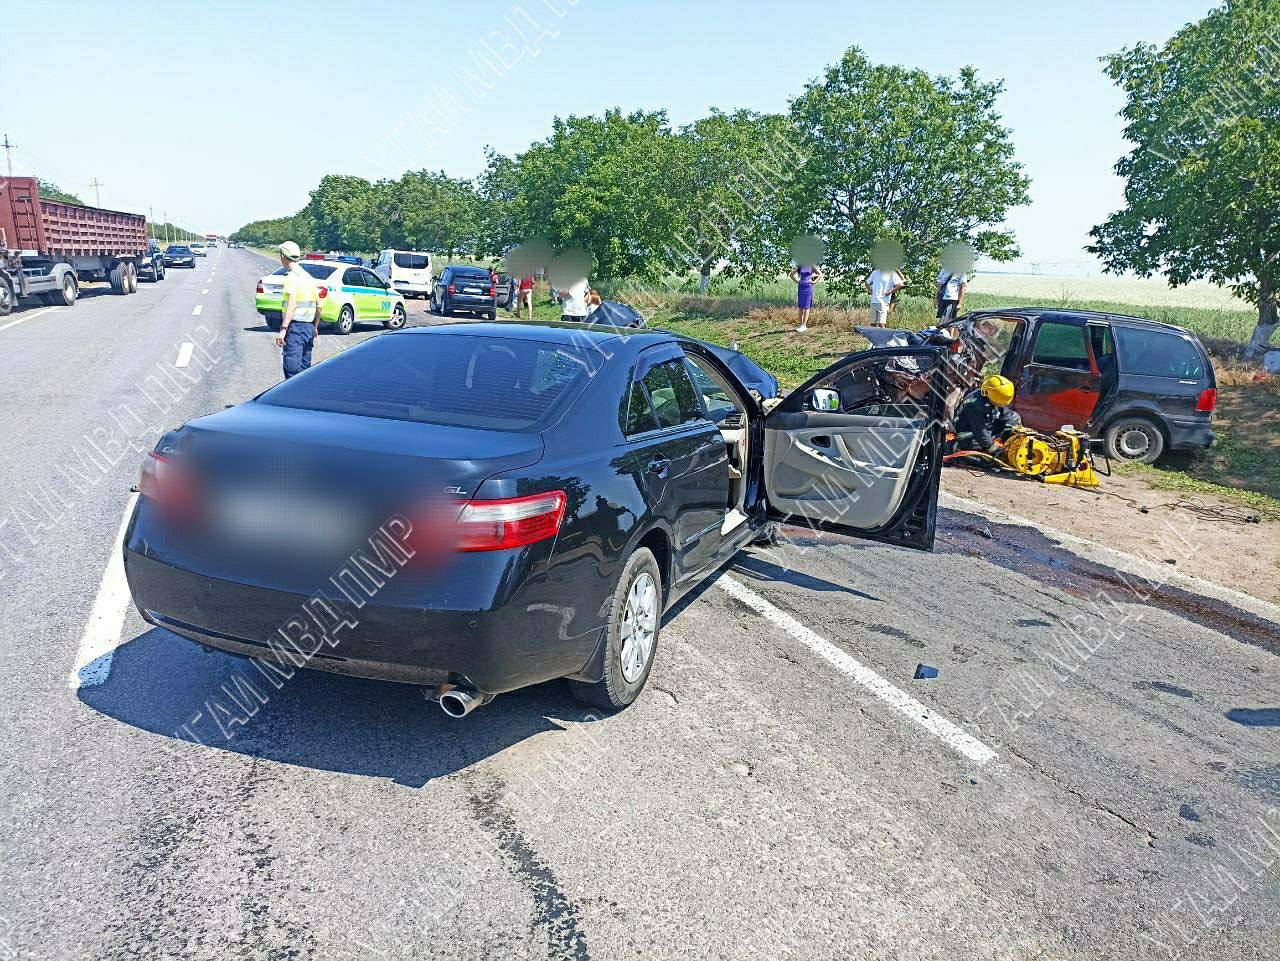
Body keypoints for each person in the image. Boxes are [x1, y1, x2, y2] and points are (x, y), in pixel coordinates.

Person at [275, 240, 321, 380]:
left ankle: (292, 394)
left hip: (295, 329)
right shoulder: (308, 277)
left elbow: (292, 304)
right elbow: (319, 306)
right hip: (308, 328)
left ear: (283, 256)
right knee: (304, 372)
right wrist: (315, 327)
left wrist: (283, 329)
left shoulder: (292, 277)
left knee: (292, 371)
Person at [953, 374, 1021, 455]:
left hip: (986, 426)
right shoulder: (974, 404)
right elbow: (980, 431)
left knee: (1014, 417)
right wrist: (994, 450)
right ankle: (957, 447)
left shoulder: (995, 395)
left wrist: (1009, 432)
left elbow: (1005, 414)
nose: (1002, 405)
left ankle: (1009, 442)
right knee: (985, 457)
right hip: (969, 434)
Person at [791, 263, 823, 332]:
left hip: (808, 286)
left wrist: (814, 281)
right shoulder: (800, 266)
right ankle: (800, 325)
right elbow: (791, 274)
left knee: (806, 306)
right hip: (801, 286)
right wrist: (797, 281)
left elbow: (820, 274)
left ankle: (804, 325)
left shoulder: (812, 265)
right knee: (800, 306)